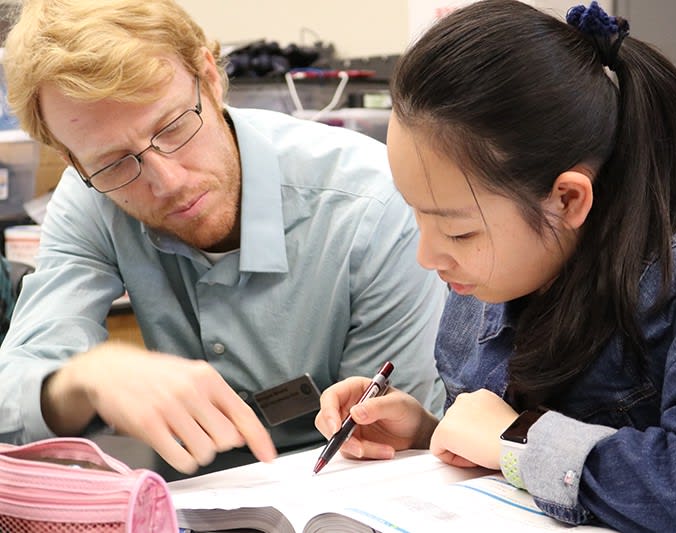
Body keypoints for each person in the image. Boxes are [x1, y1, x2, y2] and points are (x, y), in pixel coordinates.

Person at [315, 0, 676, 530]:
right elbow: (497, 453)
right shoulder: (486, 280)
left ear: (567, 200)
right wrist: (430, 432)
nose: (427, 257)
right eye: (418, 217)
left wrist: (514, 440)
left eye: (458, 230)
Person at [0, 0, 446, 475]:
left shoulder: (372, 203)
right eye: (113, 163)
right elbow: (13, 393)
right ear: (75, 163)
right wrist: (81, 380)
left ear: (209, 78)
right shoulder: (92, 197)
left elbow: (390, 449)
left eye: (172, 127)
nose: (167, 181)